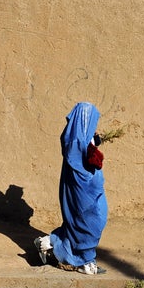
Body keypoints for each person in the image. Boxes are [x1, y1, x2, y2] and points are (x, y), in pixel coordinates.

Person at [34, 102, 108, 275]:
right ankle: (81, 259)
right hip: (81, 190)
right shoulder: (75, 139)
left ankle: (51, 244)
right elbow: (77, 161)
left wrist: (94, 143)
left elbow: (88, 152)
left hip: (92, 190)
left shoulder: (83, 135)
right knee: (88, 222)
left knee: (94, 220)